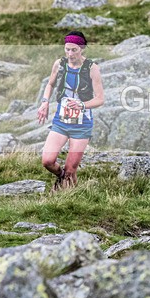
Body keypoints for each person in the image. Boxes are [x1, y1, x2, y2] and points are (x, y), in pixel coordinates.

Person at [38, 31, 104, 191]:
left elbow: (100, 99)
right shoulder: (59, 64)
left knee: (70, 171)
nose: (70, 53)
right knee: (47, 161)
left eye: (74, 50)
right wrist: (45, 102)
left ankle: (72, 195)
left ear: (82, 48)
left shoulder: (92, 68)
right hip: (61, 122)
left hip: (82, 125)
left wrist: (82, 105)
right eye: (67, 49)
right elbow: (50, 84)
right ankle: (61, 177)